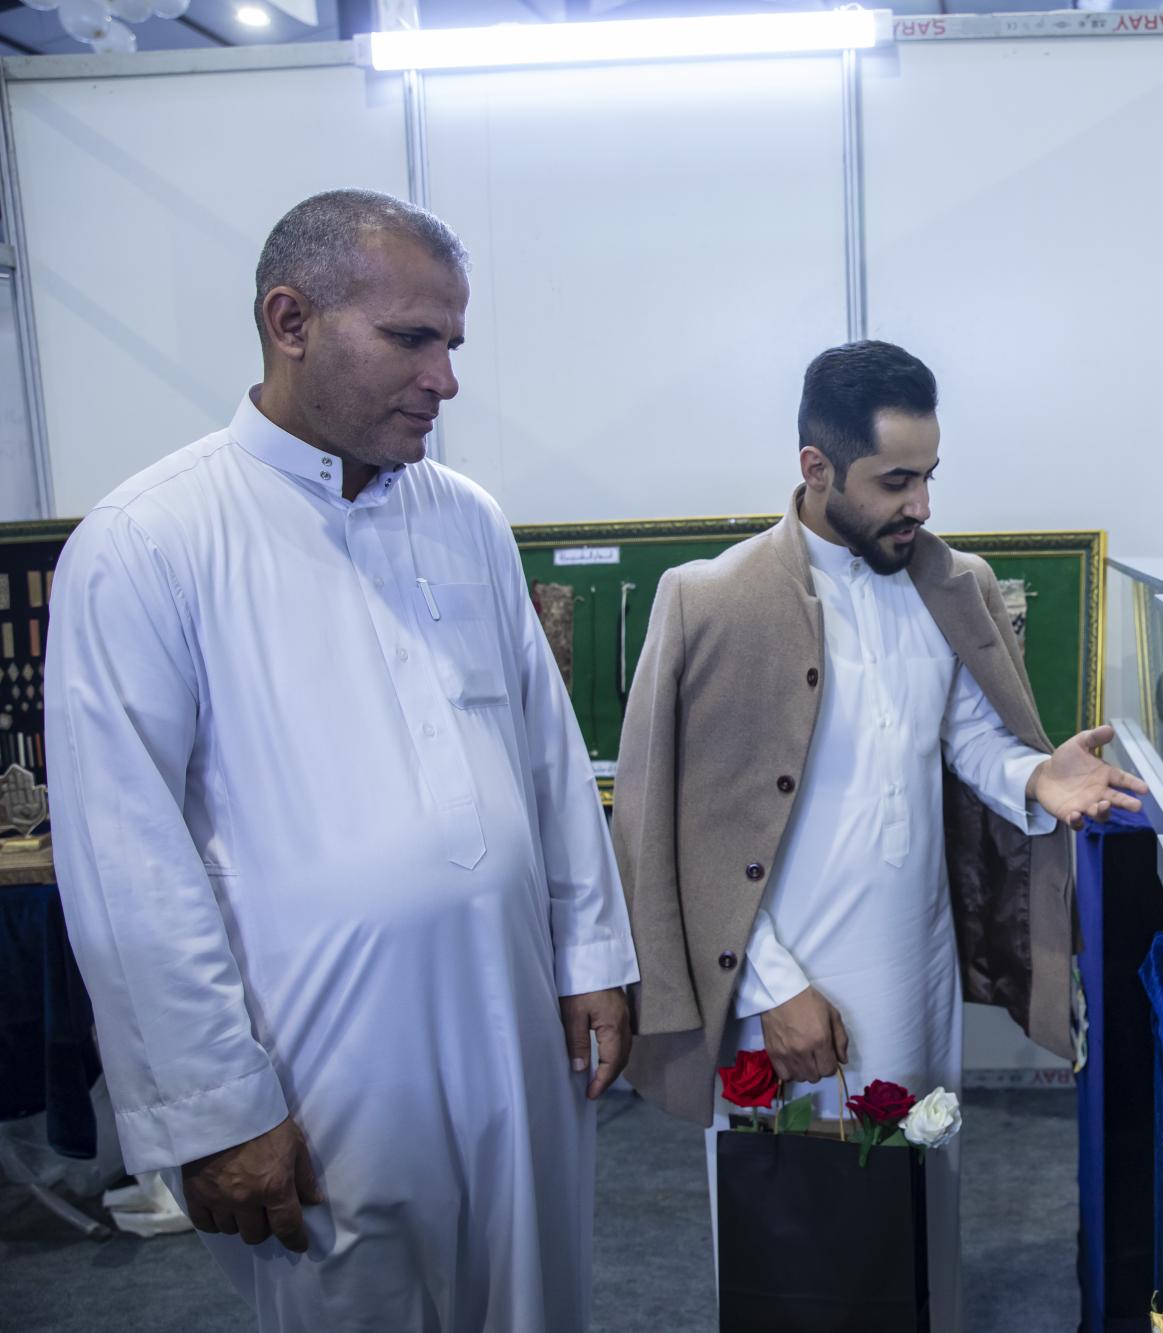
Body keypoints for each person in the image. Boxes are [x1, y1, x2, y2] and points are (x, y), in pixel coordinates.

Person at [44, 189, 638, 1332]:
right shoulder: (151, 540)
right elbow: (127, 861)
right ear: (290, 320)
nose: (444, 379)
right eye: (410, 338)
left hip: (517, 1033)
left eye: (452, 343)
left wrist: (591, 958)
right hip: (320, 1070)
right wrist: (218, 1109)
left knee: (535, 1298)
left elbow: (547, 758)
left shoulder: (463, 518)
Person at [612, 339, 1146, 1329]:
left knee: (917, 1210)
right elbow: (678, 825)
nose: (921, 505)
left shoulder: (953, 585)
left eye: (929, 475)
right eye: (895, 481)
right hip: (783, 989)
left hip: (916, 969)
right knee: (793, 1239)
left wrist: (1037, 774)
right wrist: (772, 990)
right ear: (816, 467)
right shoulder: (711, 601)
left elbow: (967, 737)